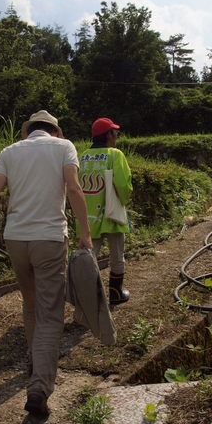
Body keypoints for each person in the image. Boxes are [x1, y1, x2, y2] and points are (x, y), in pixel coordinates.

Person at [0, 109, 92, 419]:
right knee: (51, 313)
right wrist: (85, 234)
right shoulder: (64, 147)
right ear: (54, 131)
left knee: (30, 304)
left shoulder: (10, 151)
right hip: (49, 239)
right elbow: (75, 189)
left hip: (16, 239)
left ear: (28, 131)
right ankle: (39, 386)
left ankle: (33, 359)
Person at [78, 117, 132, 305]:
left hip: (88, 215)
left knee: (90, 257)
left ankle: (90, 299)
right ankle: (116, 294)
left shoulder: (83, 156)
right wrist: (124, 201)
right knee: (117, 255)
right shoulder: (115, 155)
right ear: (108, 135)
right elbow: (123, 185)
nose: (116, 136)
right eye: (115, 132)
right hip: (112, 214)